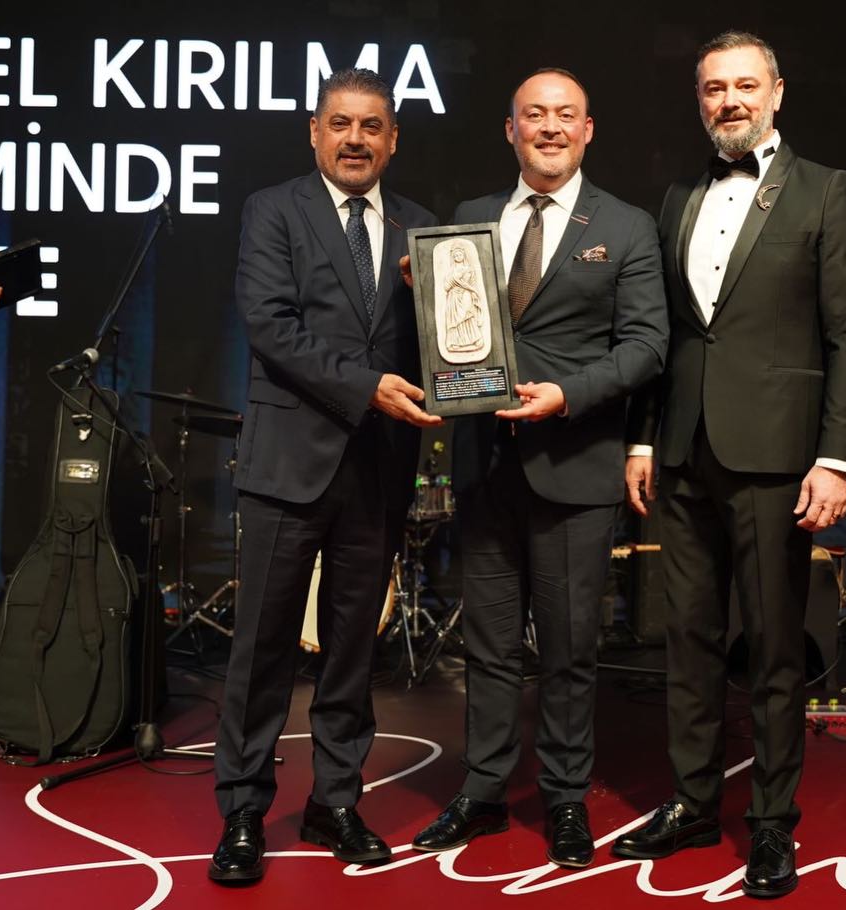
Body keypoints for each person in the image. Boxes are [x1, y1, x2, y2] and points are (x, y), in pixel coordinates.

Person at [616, 31, 846, 900]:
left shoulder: (824, 189)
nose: (728, 100)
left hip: (777, 456)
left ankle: (769, 822)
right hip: (684, 451)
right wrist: (644, 438)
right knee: (687, 641)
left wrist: (834, 458)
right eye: (713, 88)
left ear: (776, 93)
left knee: (770, 647)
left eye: (744, 85)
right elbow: (663, 334)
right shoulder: (678, 196)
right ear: (699, 100)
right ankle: (693, 804)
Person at [409, 67, 667, 869]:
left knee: (567, 650)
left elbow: (647, 345)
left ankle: (562, 797)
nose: (549, 126)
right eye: (533, 114)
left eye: (564, 114)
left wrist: (567, 396)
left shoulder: (625, 226)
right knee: (486, 648)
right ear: (510, 129)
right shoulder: (470, 218)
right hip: (485, 466)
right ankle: (483, 790)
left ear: (586, 130)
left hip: (575, 464)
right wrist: (422, 298)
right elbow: (454, 332)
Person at [209, 67, 440, 884]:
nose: (354, 139)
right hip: (287, 463)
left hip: (378, 470)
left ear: (392, 139)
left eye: (371, 126)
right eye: (340, 123)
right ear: (314, 131)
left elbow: (451, 339)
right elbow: (270, 326)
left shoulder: (423, 229)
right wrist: (366, 387)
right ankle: (243, 809)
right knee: (261, 648)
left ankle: (335, 801)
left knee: (350, 652)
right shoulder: (273, 210)